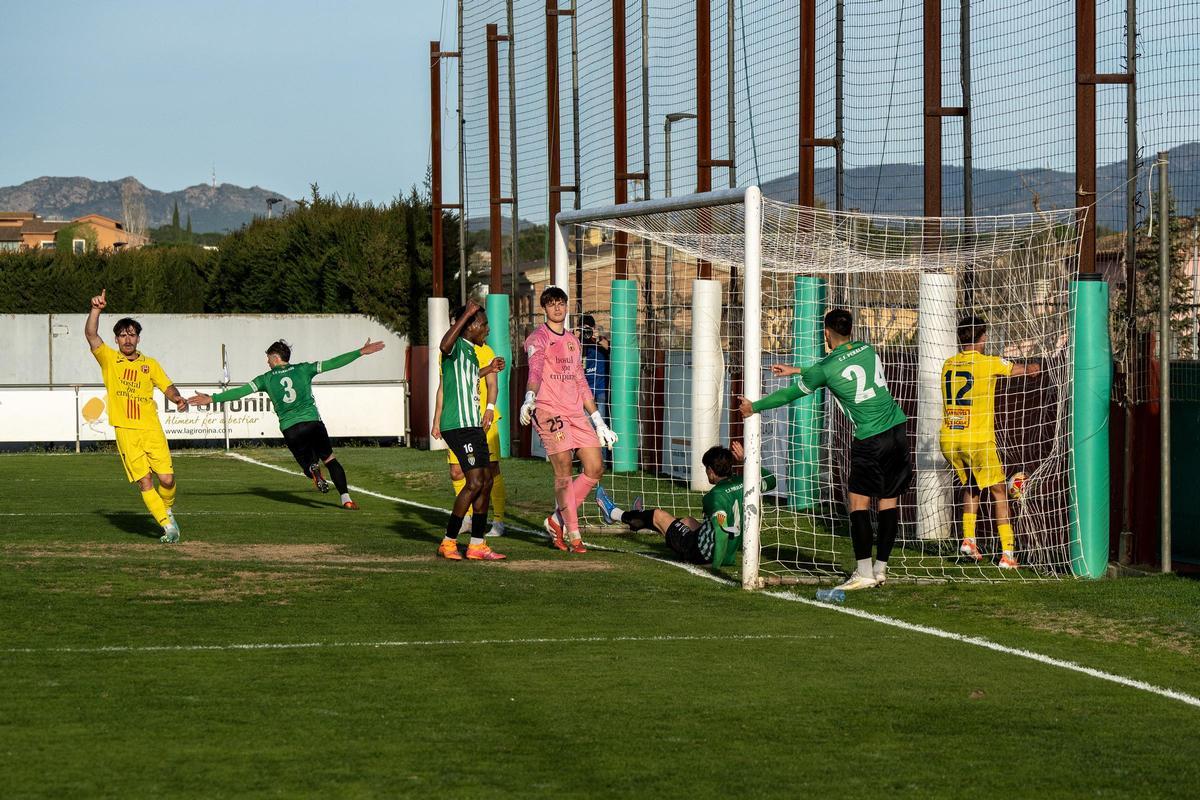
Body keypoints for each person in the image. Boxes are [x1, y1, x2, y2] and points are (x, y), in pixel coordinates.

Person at [738, 308, 911, 591]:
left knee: (858, 503)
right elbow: (837, 369)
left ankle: (864, 572)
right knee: (889, 500)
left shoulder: (826, 368)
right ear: (850, 330)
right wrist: (797, 369)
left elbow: (791, 393)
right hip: (897, 429)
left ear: (826, 333)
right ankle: (880, 569)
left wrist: (753, 407)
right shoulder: (866, 349)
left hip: (870, 438)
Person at [188, 338, 385, 510]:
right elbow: (333, 363)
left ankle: (311, 470)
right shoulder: (304, 369)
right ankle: (346, 499)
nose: (267, 362)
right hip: (313, 423)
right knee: (330, 459)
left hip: (291, 428)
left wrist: (212, 398)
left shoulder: (265, 379)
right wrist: (360, 352)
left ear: (275, 357)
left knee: (307, 465)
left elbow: (240, 392)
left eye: (268, 358)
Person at [84, 289, 188, 543]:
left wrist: (176, 397)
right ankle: (168, 527)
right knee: (145, 482)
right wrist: (96, 309)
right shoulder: (109, 359)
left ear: (139, 339)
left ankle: (167, 509)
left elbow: (167, 385)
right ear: (117, 340)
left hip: (151, 429)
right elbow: (91, 334)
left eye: (132, 335)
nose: (127, 340)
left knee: (168, 478)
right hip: (126, 431)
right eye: (122, 335)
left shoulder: (150, 364)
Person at [520, 286, 618, 554]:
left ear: (566, 306)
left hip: (576, 412)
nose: (557, 308)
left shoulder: (573, 341)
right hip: (549, 410)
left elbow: (580, 379)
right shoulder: (537, 338)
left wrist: (597, 419)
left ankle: (556, 519)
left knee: (595, 467)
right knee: (563, 467)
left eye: (561, 303)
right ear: (544, 308)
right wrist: (530, 397)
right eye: (551, 304)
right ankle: (574, 535)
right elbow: (536, 369)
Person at [940, 315, 1040, 569]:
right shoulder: (988, 363)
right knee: (1000, 493)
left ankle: (968, 540)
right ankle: (1008, 554)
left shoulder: (948, 364)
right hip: (977, 441)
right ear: (982, 338)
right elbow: (1018, 369)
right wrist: (1032, 369)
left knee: (972, 484)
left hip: (951, 438)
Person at [595, 441, 775, 570]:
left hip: (698, 552)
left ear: (711, 471)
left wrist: (716, 565)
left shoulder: (715, 496)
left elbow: (720, 532)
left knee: (658, 515)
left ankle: (614, 513)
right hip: (730, 546)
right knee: (687, 521)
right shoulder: (745, 482)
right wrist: (747, 459)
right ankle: (639, 518)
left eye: (706, 470)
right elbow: (771, 481)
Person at [433, 299, 506, 561]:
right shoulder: (452, 348)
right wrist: (467, 314)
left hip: (472, 424)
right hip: (459, 424)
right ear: (471, 325)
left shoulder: (471, 351)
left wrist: (491, 368)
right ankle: (449, 541)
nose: (487, 329)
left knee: (485, 481)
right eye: (483, 324)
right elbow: (443, 344)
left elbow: (470, 376)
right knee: (474, 482)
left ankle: (477, 545)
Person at [578, 314, 611, 421]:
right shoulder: (577, 343)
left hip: (601, 387)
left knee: (603, 420)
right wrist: (577, 338)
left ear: (594, 328)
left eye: (588, 329)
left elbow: (610, 347)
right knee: (588, 422)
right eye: (584, 329)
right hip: (586, 389)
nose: (586, 332)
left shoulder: (599, 340)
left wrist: (597, 338)